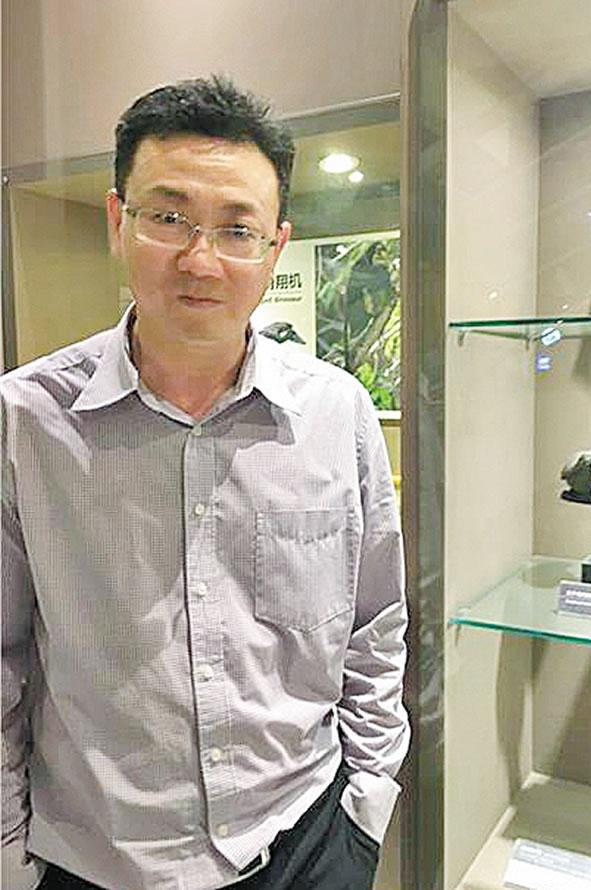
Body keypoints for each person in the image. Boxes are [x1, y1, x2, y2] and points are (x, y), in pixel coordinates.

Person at [1, 75, 410, 890]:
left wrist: (365, 806)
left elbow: (374, 624)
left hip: (308, 842)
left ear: (275, 248)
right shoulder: (24, 424)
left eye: (237, 230)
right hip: (98, 863)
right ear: (118, 220)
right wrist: (11, 857)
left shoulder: (337, 413)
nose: (200, 260)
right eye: (168, 218)